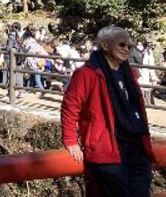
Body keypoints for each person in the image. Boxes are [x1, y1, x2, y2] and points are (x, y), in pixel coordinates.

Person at [61, 25, 154, 197]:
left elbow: (138, 108)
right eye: (122, 45)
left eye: (129, 46)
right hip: (107, 148)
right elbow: (70, 107)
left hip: (136, 146)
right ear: (105, 45)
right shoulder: (86, 74)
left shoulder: (130, 73)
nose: (127, 49)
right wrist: (70, 140)